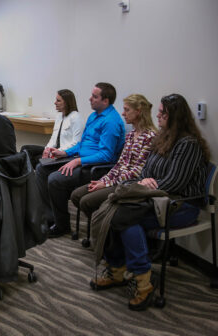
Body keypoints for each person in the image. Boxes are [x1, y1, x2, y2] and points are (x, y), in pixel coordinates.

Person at [90, 93, 211, 311]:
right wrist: (144, 182)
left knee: (122, 217)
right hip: (157, 200)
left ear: (175, 116)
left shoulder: (188, 144)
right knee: (116, 212)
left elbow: (175, 183)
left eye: (163, 112)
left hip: (182, 205)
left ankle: (141, 281)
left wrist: (146, 185)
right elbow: (145, 172)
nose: (158, 115)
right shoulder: (162, 139)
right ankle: (122, 271)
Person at [40, 82, 125, 237]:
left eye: (94, 96)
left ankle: (62, 225)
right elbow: (81, 144)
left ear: (105, 101)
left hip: (97, 167)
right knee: (41, 169)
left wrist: (77, 161)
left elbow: (106, 155)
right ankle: (50, 217)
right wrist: (64, 153)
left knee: (54, 179)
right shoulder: (94, 116)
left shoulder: (111, 121)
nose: (90, 99)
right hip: (81, 159)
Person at [69, 94, 157, 218]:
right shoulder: (131, 135)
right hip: (117, 179)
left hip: (130, 184)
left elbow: (137, 172)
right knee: (76, 195)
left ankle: (104, 230)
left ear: (138, 112)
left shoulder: (150, 137)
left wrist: (107, 184)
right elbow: (119, 164)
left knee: (86, 201)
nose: (123, 113)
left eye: (127, 110)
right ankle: (102, 226)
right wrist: (103, 180)